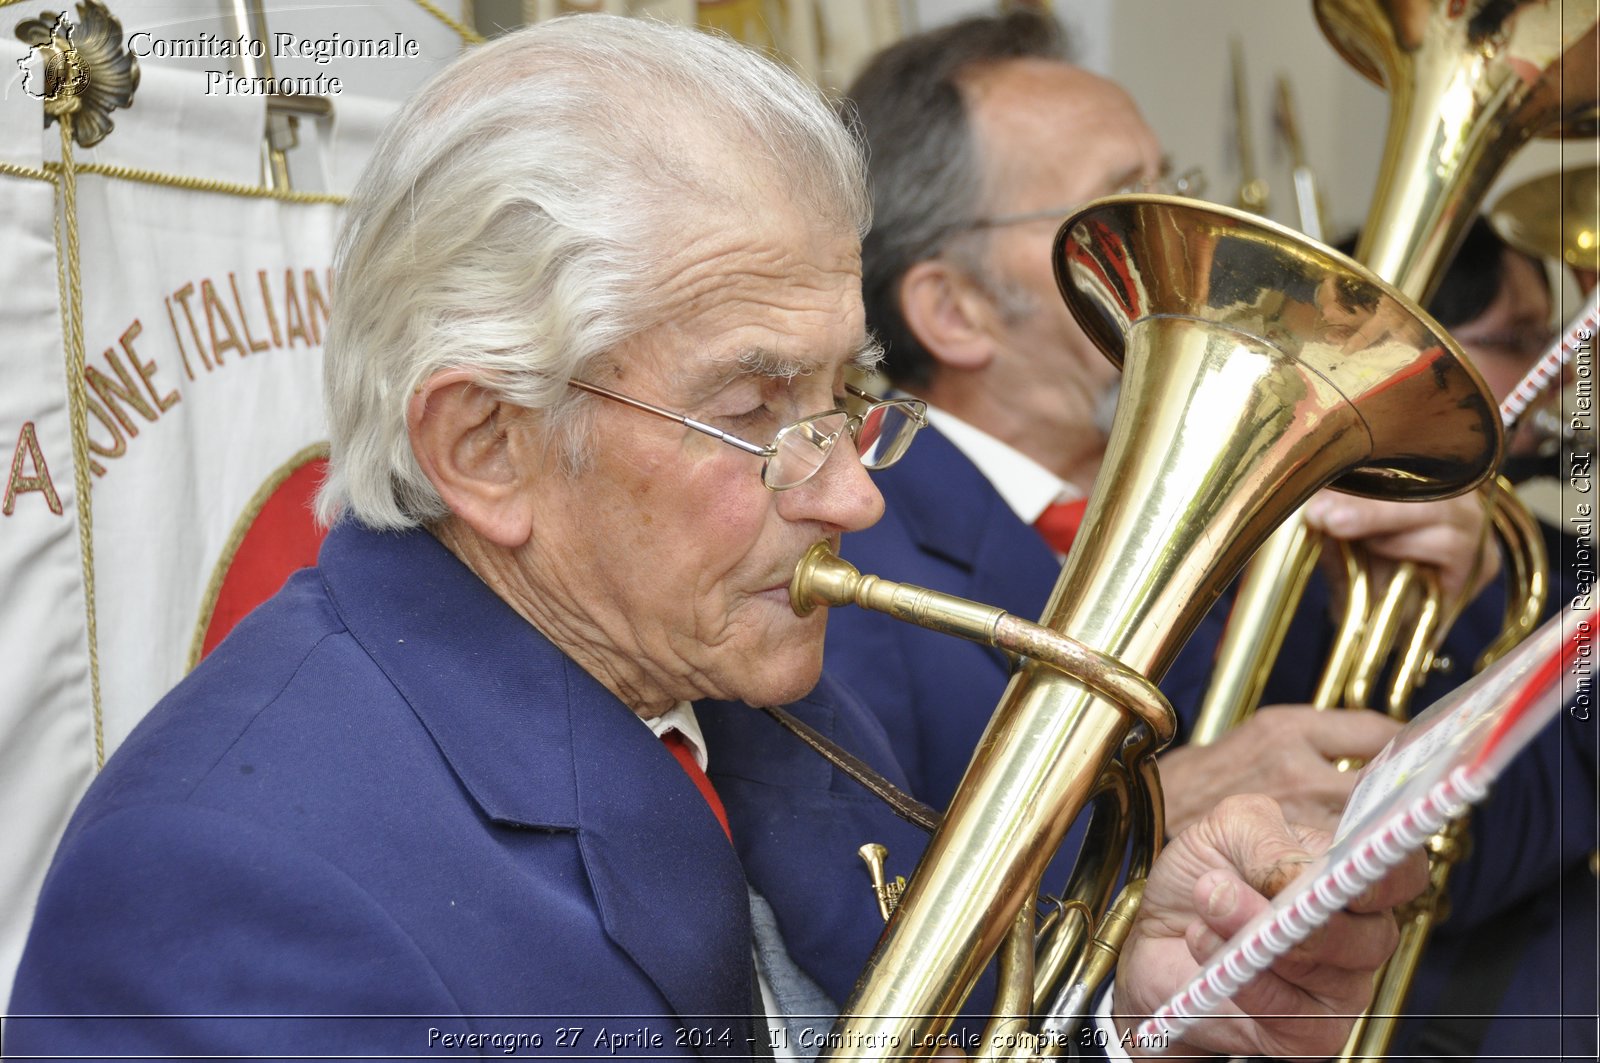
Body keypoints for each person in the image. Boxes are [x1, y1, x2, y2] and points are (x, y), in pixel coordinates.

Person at [5, 15, 1423, 1060]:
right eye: (758, 407)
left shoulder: (781, 662)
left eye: (850, 396)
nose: (857, 496)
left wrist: (1136, 1014)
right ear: (484, 447)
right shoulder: (224, 882)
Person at [827, 9, 1498, 836]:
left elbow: (1483, 840)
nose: (1195, 246)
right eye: (1118, 215)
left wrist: (1437, 604)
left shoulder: (1254, 507)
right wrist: (1153, 820)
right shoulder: (849, 562)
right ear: (954, 310)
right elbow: (849, 918)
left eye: (1174, 189)